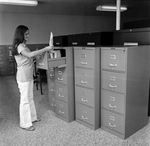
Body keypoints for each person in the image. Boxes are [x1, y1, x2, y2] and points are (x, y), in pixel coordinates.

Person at [12, 25, 53, 131]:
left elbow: (28, 58)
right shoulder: (19, 46)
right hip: (23, 77)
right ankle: (25, 124)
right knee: (25, 100)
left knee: (30, 98)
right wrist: (45, 49)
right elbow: (29, 55)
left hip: (29, 75)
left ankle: (32, 118)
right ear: (20, 34)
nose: (28, 36)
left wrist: (37, 56)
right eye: (26, 34)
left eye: (28, 33)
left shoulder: (24, 45)